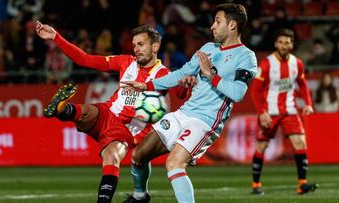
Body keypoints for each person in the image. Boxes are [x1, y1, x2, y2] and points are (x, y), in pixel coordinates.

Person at [36, 22, 187, 203]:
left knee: (112, 156)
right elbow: (85, 59)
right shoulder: (126, 61)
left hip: (128, 129)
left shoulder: (163, 74)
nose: (136, 49)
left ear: (155, 46)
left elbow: (180, 93)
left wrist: (185, 83)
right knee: (86, 111)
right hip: (108, 112)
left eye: (141, 44)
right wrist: (56, 37)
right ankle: (62, 109)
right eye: (134, 45)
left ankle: (104, 201)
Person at [121, 3, 257, 202]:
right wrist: (147, 86)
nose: (212, 26)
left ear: (232, 26)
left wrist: (211, 75)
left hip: (205, 121)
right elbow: (183, 73)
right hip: (183, 113)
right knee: (138, 156)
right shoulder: (208, 48)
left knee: (174, 163)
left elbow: (237, 93)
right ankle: (140, 196)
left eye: (217, 21)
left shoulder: (246, 57)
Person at [250, 28, 318, 195]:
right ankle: (256, 185)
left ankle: (302, 184)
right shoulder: (266, 64)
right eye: (280, 42)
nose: (283, 45)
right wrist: (262, 112)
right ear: (275, 44)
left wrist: (308, 103)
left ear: (292, 44)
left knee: (300, 143)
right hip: (269, 113)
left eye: (287, 42)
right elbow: (255, 91)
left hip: (290, 111)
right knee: (262, 146)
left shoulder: (297, 63)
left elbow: (302, 84)